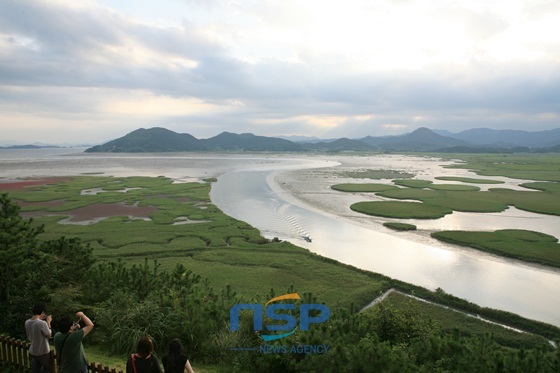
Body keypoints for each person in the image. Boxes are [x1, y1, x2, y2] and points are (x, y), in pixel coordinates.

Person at [25, 303, 53, 373]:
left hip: (32, 351)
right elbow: (49, 334)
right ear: (42, 312)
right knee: (47, 369)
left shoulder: (27, 322)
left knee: (36, 371)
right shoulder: (42, 323)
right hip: (43, 351)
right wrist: (48, 322)